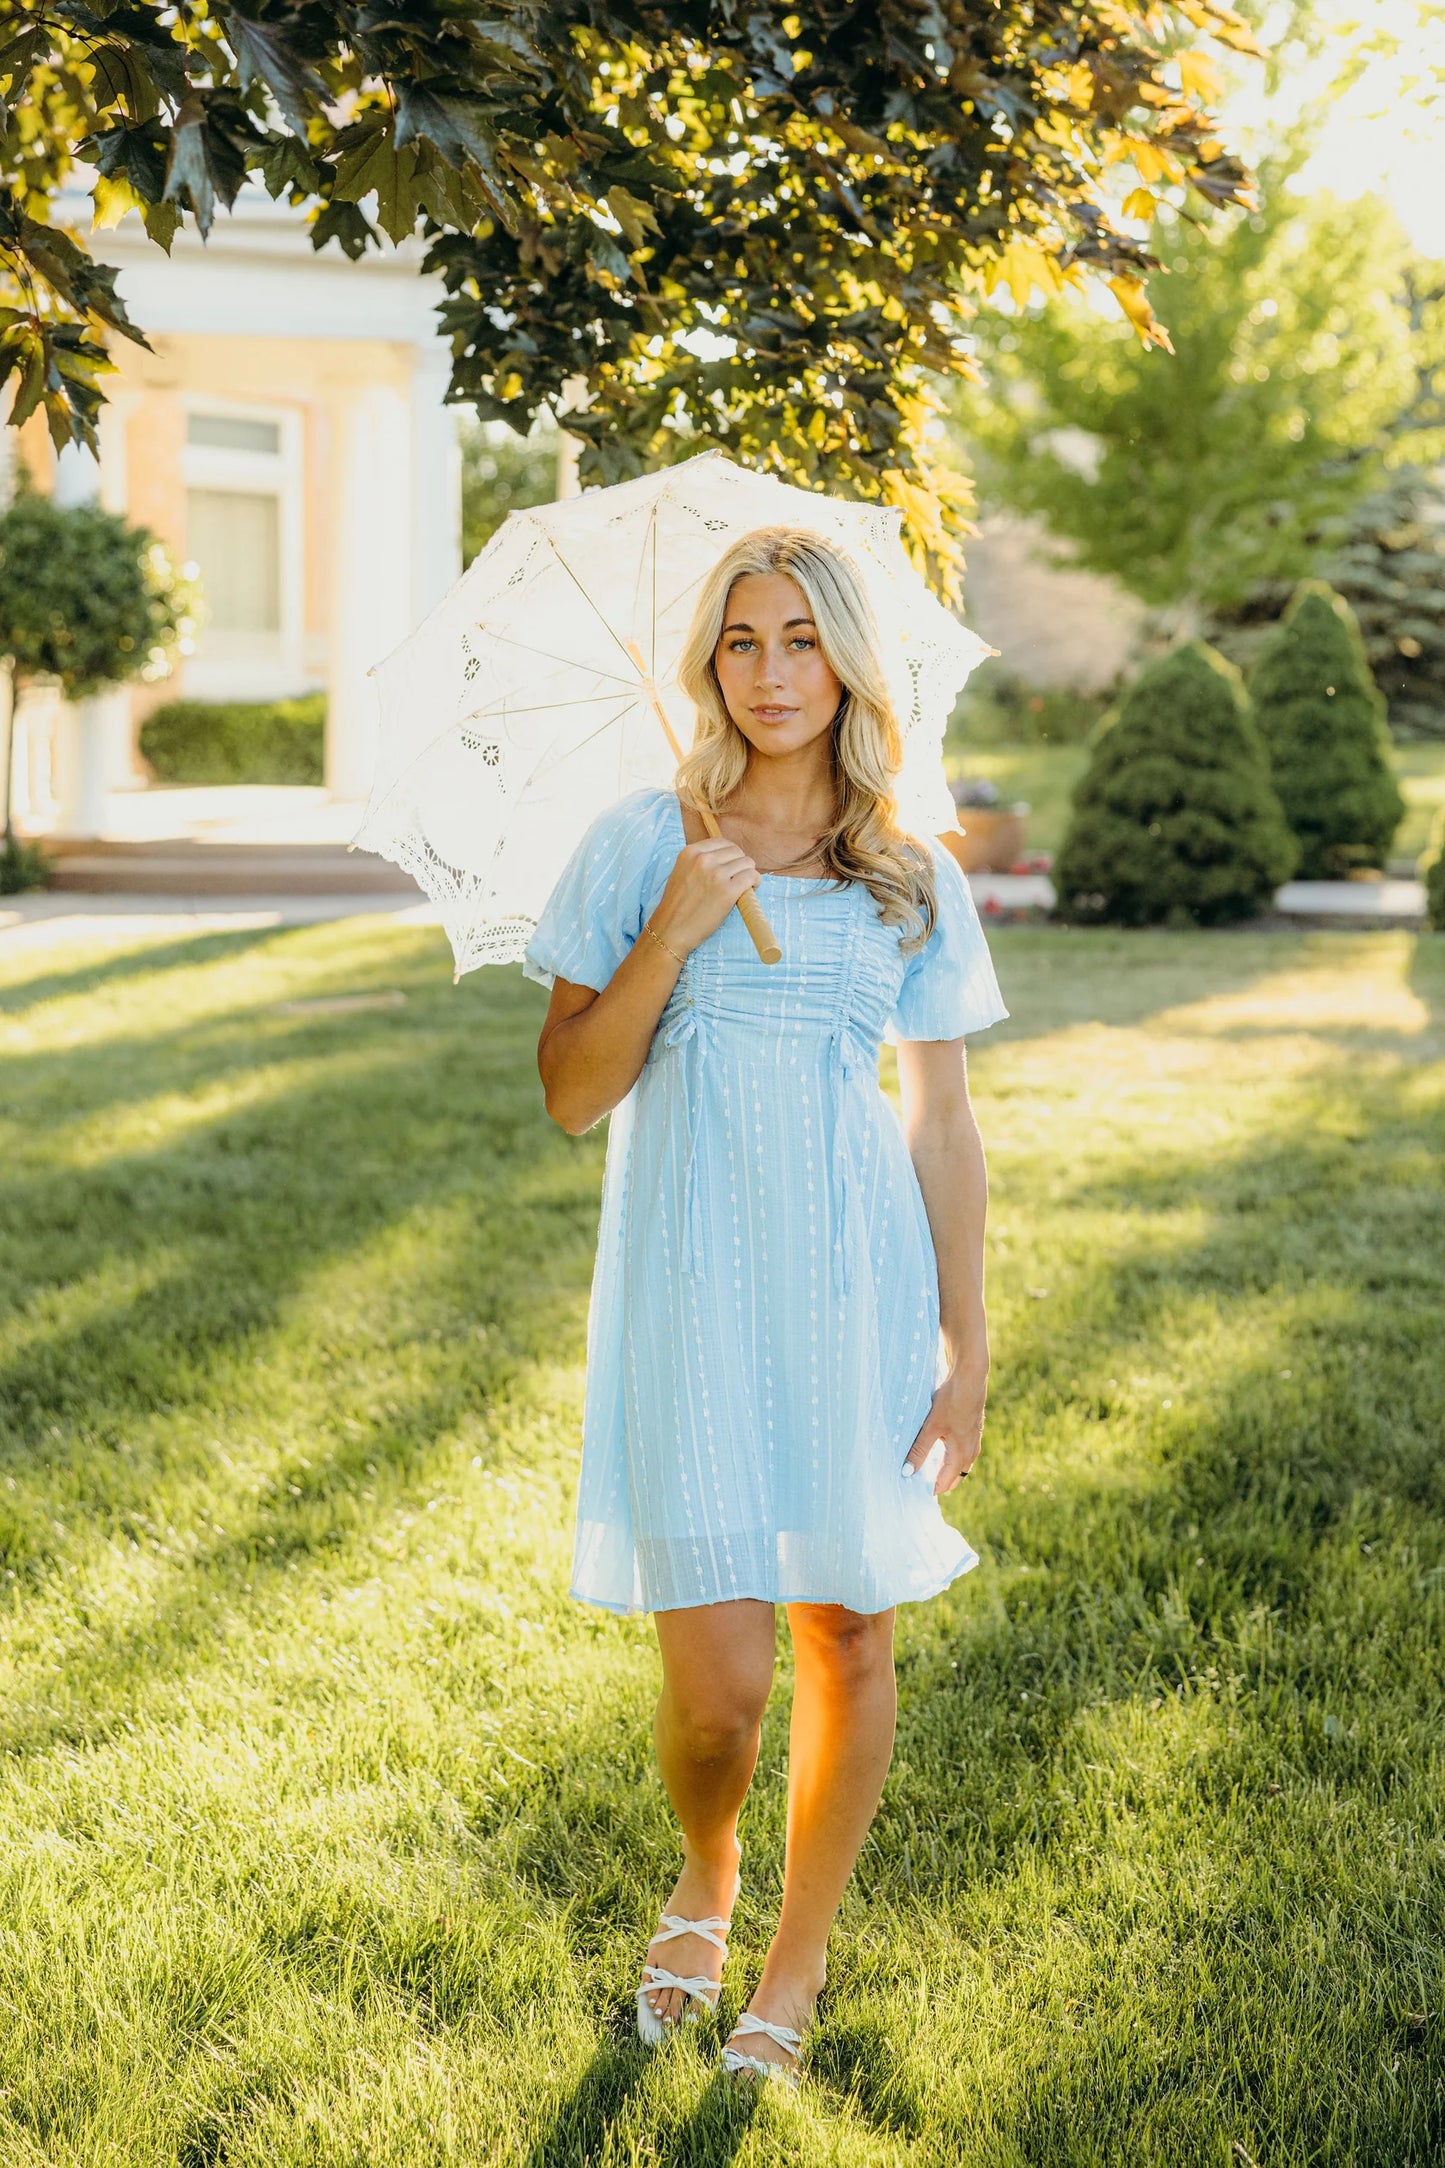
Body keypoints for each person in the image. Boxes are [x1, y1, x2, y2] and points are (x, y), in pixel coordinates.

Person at [522, 525, 1007, 2090]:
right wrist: (671, 927)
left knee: (846, 1629)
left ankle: (791, 1965)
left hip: (851, 1284)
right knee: (720, 1692)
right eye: (742, 640)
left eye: (801, 639)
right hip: (690, 1290)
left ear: (849, 663)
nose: (772, 672)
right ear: (708, 663)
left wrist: (964, 1347)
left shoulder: (907, 872)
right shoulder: (638, 843)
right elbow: (570, 1095)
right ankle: (707, 1865)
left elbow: (939, 1124)